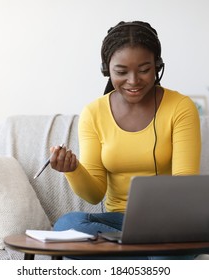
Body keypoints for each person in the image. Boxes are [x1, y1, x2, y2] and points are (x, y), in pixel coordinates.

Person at [49, 21, 201, 259]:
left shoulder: (180, 107)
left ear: (158, 67)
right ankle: (148, 258)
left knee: (167, 250)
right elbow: (94, 195)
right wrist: (73, 169)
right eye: (121, 72)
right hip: (119, 223)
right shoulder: (93, 113)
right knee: (66, 225)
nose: (133, 80)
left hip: (170, 223)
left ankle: (132, 257)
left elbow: (186, 186)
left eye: (144, 69)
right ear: (106, 70)